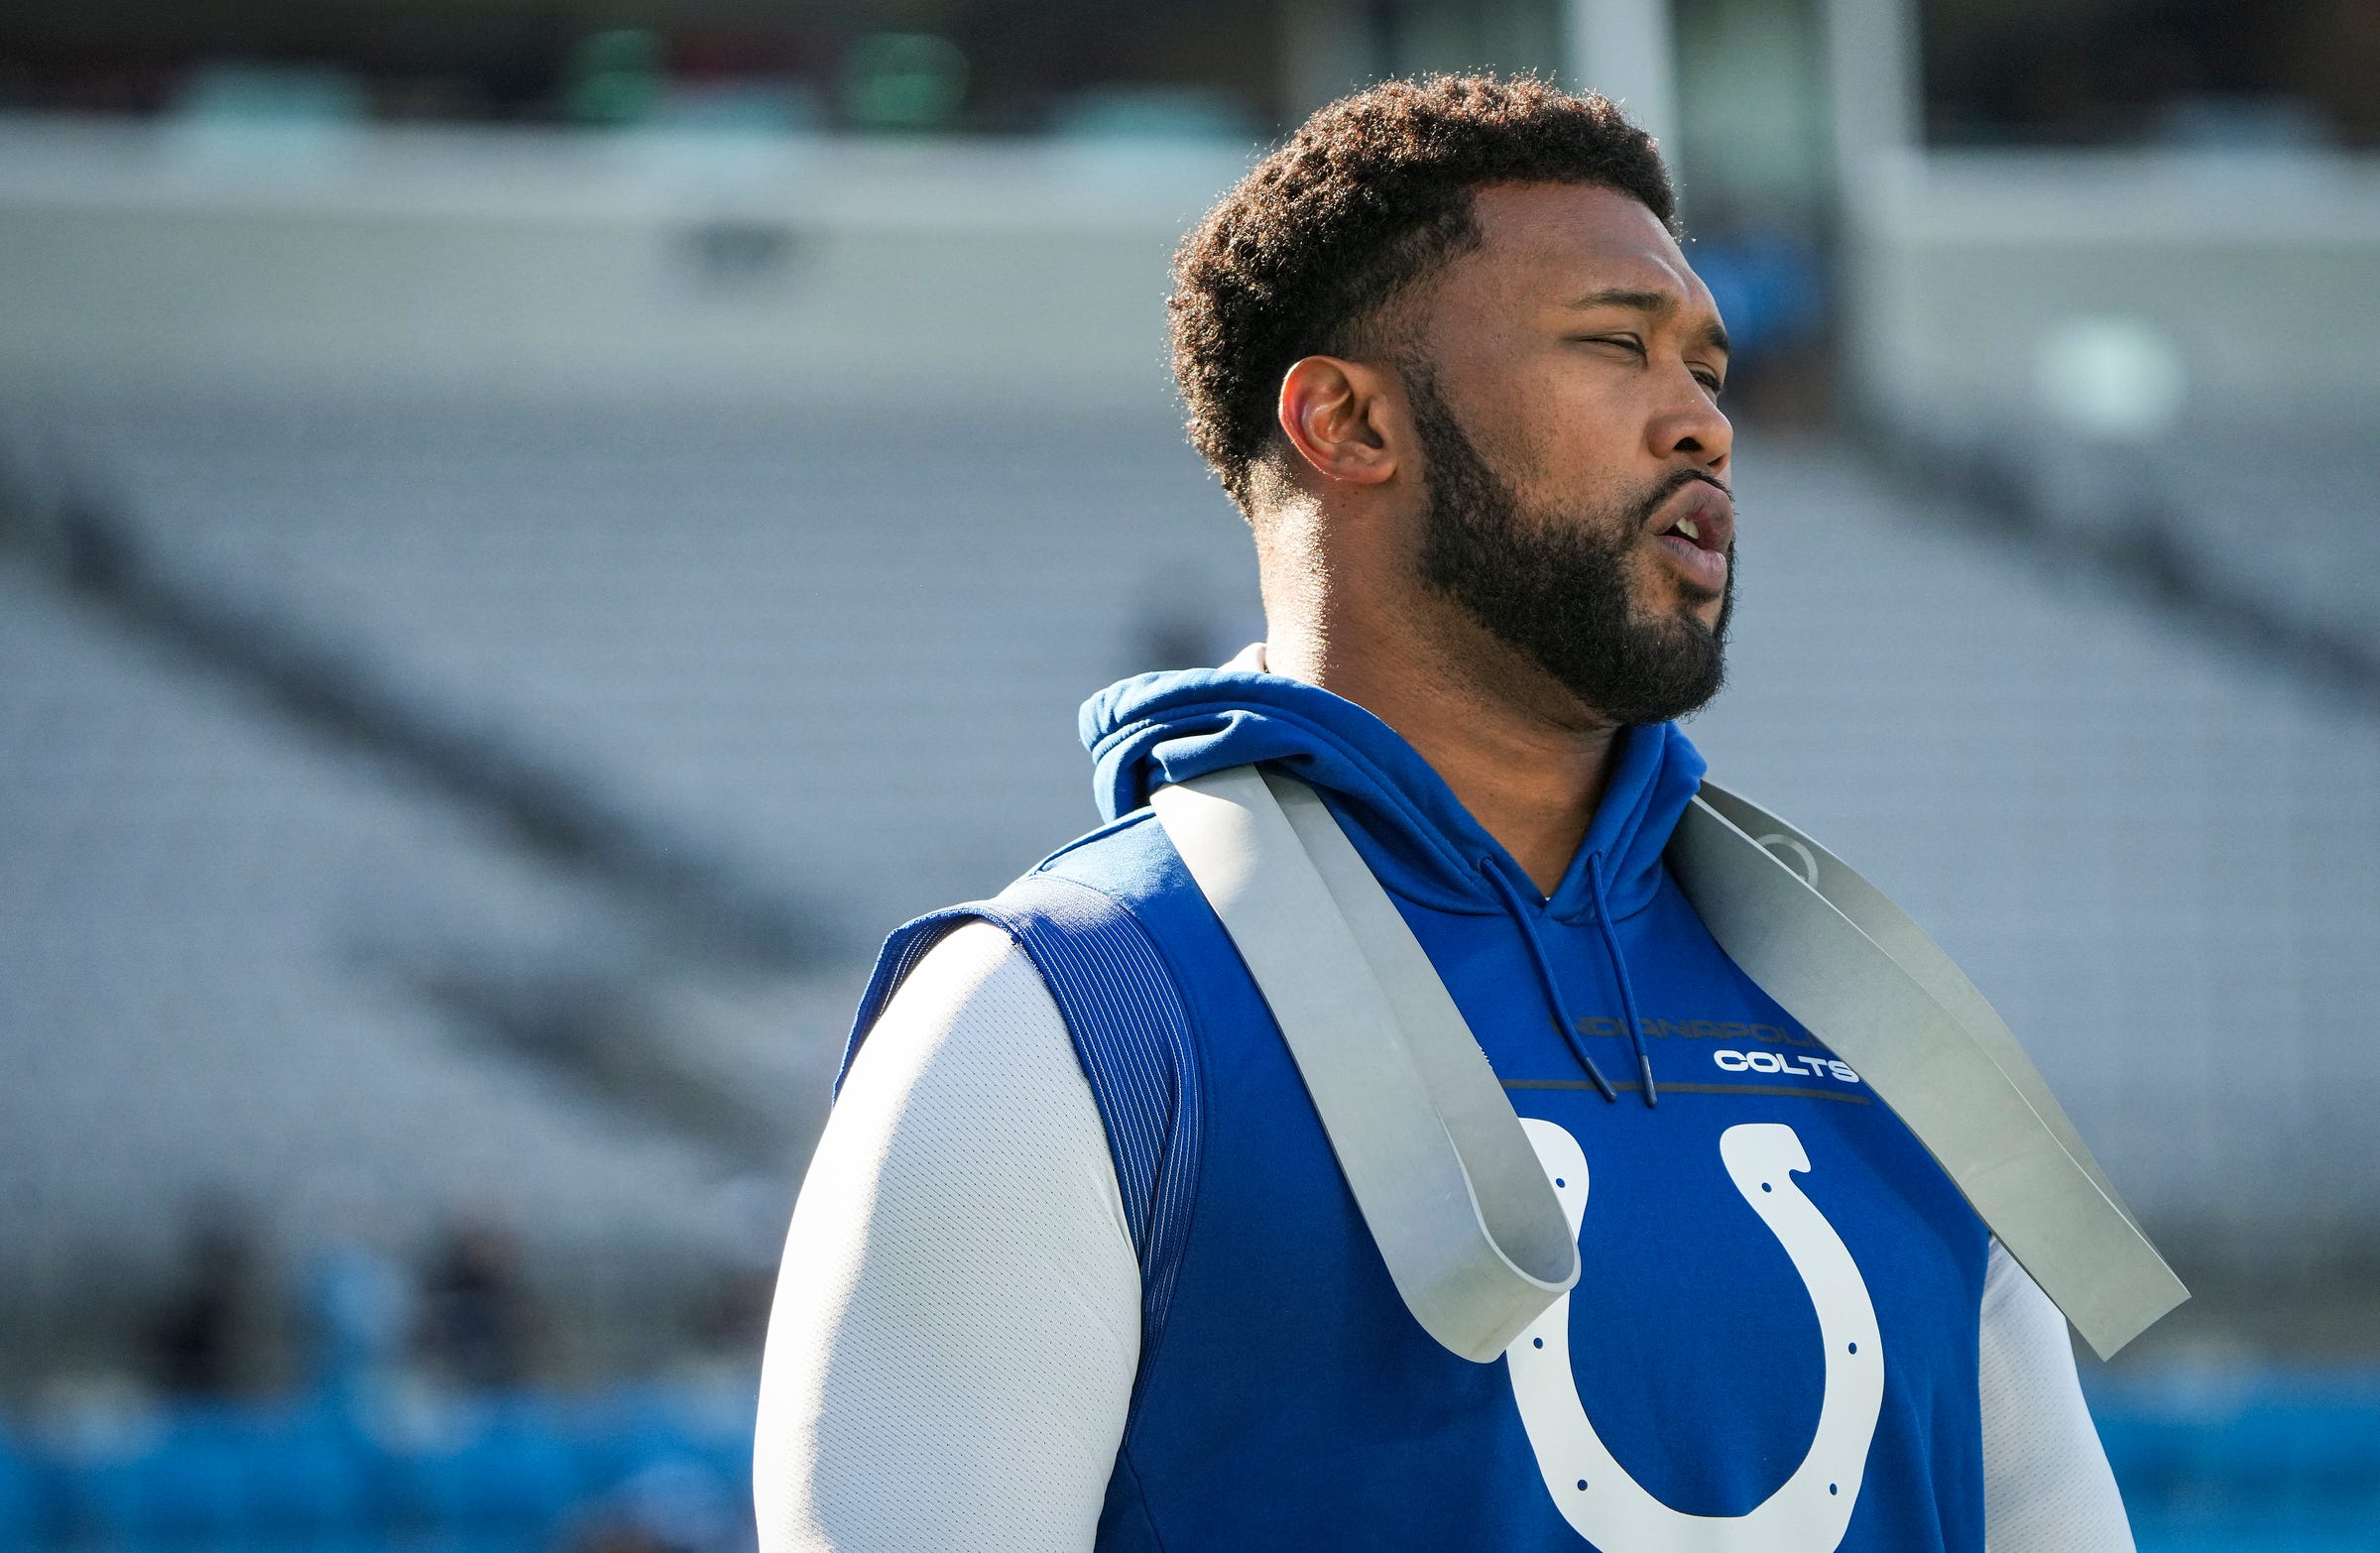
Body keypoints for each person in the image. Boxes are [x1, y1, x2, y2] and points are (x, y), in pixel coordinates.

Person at [757, 75, 2134, 1552]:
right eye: (1617, 345)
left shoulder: (1880, 1014)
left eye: (1710, 369)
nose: (1703, 425)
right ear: (1347, 421)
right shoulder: (1050, 1025)